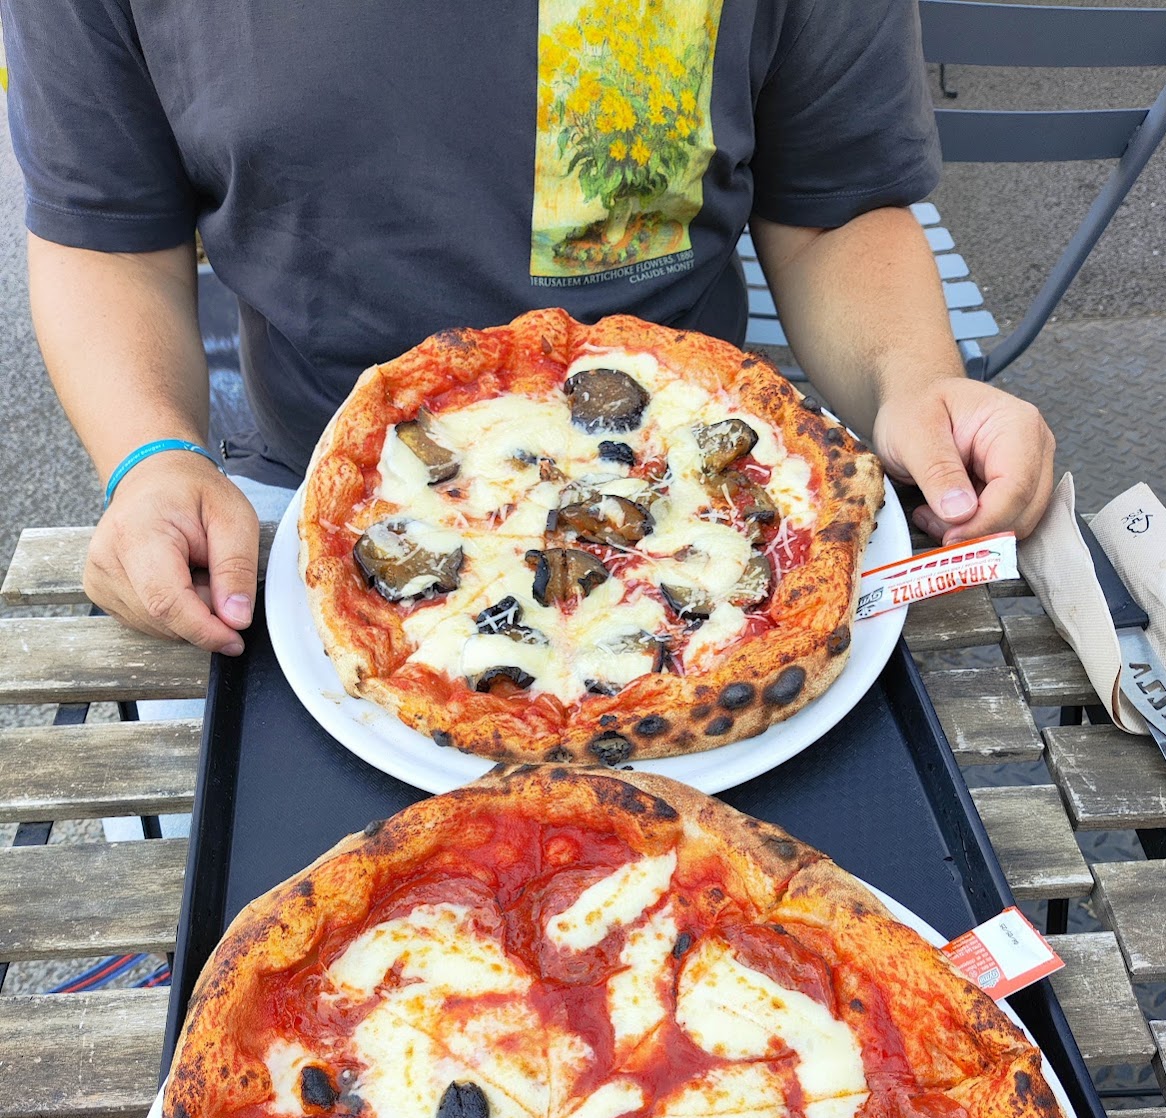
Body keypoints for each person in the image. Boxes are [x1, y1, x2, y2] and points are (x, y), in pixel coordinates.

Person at [2, 0, 1054, 662]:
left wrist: (912, 378)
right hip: (298, 497)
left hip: (722, 509)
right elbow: (108, 233)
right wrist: (149, 456)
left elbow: (834, 202)